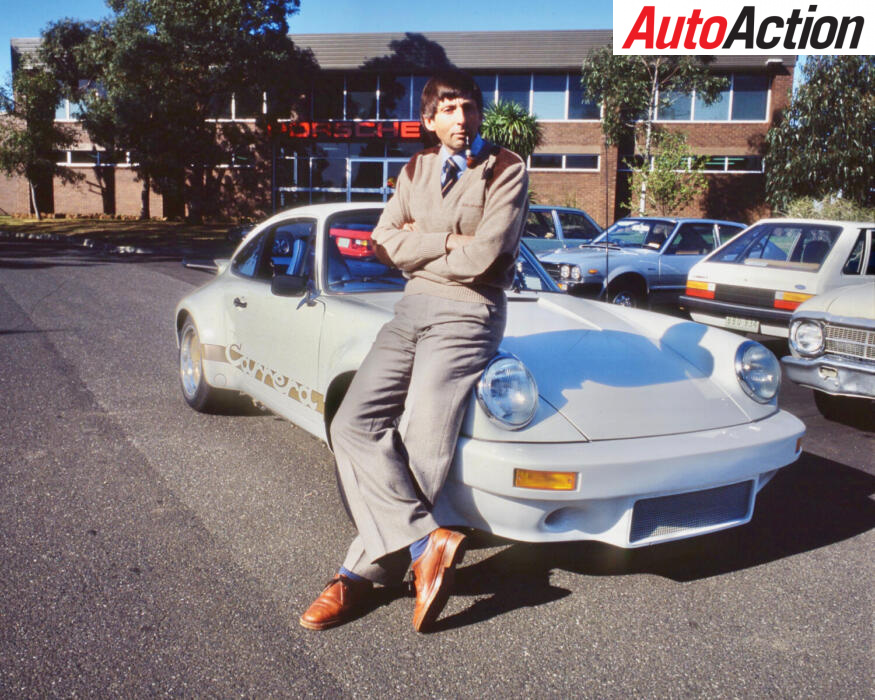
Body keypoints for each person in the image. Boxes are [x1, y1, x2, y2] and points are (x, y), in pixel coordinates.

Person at [299, 70, 528, 633]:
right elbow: (382, 240)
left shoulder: (506, 168)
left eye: (469, 108)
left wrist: (418, 246)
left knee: (421, 443)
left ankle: (356, 577)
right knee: (352, 423)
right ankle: (428, 543)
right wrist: (447, 241)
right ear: (428, 119)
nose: (461, 119)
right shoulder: (413, 169)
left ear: (480, 114)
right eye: (448, 109)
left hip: (469, 313)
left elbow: (486, 258)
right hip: (409, 311)